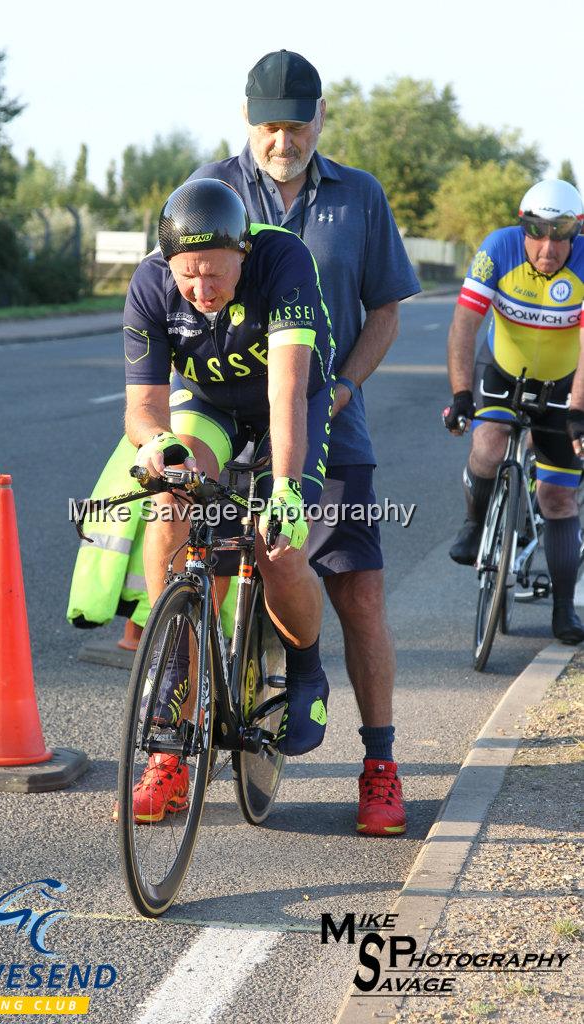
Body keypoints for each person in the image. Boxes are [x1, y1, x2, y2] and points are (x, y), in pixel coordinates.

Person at [190, 50, 420, 836]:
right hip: (225, 418)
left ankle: (380, 767)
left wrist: (347, 386)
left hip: (329, 422)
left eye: (295, 124)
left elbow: (386, 307)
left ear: (320, 117)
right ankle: (167, 746)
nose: (281, 140)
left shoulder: (359, 196)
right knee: (200, 568)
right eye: (268, 126)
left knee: (358, 592)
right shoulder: (210, 191)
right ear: (247, 121)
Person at [124, 176, 337, 820]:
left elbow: (288, 390)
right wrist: (158, 447)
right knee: (171, 499)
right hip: (210, 409)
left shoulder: (282, 260)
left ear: (243, 253)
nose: (203, 290)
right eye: (189, 277)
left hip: (286, 405)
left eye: (216, 274)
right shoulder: (150, 285)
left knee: (277, 546)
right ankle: (171, 713)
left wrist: (285, 489)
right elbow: (144, 407)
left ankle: (306, 668)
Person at [444, 178, 584, 643]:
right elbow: (465, 324)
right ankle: (474, 523)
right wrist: (462, 394)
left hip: (565, 382)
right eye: (538, 233)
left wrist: (579, 409)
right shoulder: (498, 248)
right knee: (487, 442)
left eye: (560, 236)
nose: (548, 248)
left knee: (557, 497)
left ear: (575, 234)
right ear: (522, 228)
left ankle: (564, 610)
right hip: (503, 371)